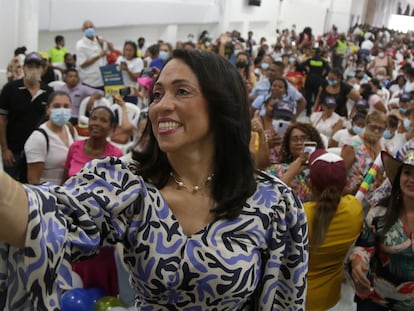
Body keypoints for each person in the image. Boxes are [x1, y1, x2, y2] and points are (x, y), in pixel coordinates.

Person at [0, 49, 308, 310]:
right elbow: (38, 216)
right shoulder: (129, 184)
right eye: (157, 94)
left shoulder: (273, 202)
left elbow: (285, 299)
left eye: (182, 91)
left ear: (222, 105)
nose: (160, 106)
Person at [63, 105, 123, 297]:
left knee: (101, 285)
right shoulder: (75, 148)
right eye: (93, 118)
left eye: (103, 120)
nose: (96, 123)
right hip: (74, 226)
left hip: (101, 230)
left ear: (112, 128)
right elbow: (66, 179)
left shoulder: (117, 155)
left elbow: (119, 195)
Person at [349, 148, 414, 310]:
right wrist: (358, 263)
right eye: (407, 172)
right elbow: (364, 246)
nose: (412, 179)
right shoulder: (379, 212)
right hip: (376, 301)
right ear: (399, 177)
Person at [304, 149, 363, 311]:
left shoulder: (300, 215)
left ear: (309, 183)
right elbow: (346, 200)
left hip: (297, 298)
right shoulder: (354, 208)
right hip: (331, 299)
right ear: (345, 183)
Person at [0, 51, 53, 180]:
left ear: (42, 69)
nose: (33, 69)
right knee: (11, 191)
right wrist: (5, 149)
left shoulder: (49, 92)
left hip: (38, 152)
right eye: (30, 66)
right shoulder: (10, 89)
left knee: (33, 189)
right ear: (23, 68)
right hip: (14, 151)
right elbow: (2, 120)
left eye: (37, 66)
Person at [24, 91, 75, 185]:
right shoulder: (39, 138)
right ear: (48, 109)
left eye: (66, 106)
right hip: (47, 194)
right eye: (57, 106)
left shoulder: (68, 129)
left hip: (66, 191)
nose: (62, 110)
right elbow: (33, 180)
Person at [267, 122, 325, 202]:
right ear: (288, 145)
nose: (299, 142)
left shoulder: (324, 169)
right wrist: (291, 173)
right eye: (294, 139)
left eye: (304, 138)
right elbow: (270, 197)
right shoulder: (277, 169)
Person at [75, 20, 114, 89]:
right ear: (83, 30)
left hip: (104, 79)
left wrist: (106, 42)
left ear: (94, 28)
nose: (89, 29)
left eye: (91, 27)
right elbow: (82, 64)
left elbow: (112, 51)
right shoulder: (80, 45)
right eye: (86, 28)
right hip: (89, 81)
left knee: (105, 99)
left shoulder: (99, 39)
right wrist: (99, 56)